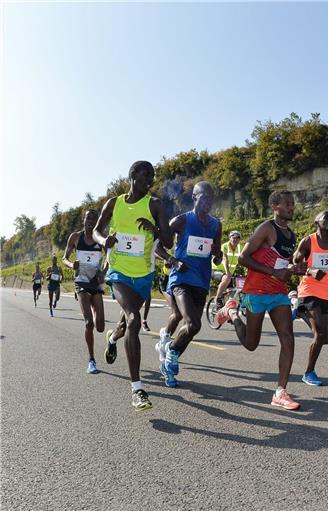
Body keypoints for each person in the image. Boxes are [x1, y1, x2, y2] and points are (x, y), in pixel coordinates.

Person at [93, 160, 171, 411]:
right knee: (135, 319)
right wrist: (104, 240)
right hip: (119, 272)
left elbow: (168, 240)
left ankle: (113, 338)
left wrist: (156, 229)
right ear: (132, 175)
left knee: (126, 323)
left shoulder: (155, 204)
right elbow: (96, 230)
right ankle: (137, 389)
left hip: (144, 275)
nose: (150, 180)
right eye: (145, 174)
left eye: (153, 176)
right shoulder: (114, 203)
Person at [215, 190, 304, 411]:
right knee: (251, 344)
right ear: (275, 206)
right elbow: (244, 258)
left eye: (293, 204)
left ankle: (280, 391)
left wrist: (295, 268)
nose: (292, 207)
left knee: (288, 338)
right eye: (287, 204)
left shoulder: (291, 236)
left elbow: (282, 265)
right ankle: (232, 312)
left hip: (278, 293)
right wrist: (274, 272)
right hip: (256, 292)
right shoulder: (266, 228)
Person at [154, 181, 222, 388]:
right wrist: (174, 261)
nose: (208, 202)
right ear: (194, 197)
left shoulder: (216, 225)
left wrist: (218, 255)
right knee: (193, 323)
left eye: (211, 198)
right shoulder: (182, 220)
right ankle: (171, 352)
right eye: (204, 197)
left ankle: (169, 360)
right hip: (181, 279)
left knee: (191, 329)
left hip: (201, 281)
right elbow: (157, 248)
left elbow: (217, 255)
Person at [294, 211, 328, 386]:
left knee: (327, 338)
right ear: (316, 221)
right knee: (319, 334)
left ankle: (296, 309)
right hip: (309, 291)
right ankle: (309, 372)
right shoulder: (308, 241)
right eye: (325, 218)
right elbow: (294, 265)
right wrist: (310, 271)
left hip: (326, 294)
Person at [63, 209, 107, 374]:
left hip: (96, 282)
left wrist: (103, 272)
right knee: (89, 323)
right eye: (88, 217)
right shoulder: (75, 237)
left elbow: (110, 256)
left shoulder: (100, 237)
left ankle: (110, 338)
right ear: (83, 219)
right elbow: (64, 257)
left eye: (94, 219)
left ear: (97, 222)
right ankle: (91, 360)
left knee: (100, 327)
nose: (91, 220)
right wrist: (70, 264)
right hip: (81, 281)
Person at [213, 230, 244, 307]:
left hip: (229, 273)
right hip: (216, 270)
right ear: (230, 238)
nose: (235, 240)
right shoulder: (225, 246)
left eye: (238, 238)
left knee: (232, 293)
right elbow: (225, 259)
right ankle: (218, 298)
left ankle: (229, 309)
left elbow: (244, 260)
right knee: (226, 278)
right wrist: (227, 272)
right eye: (233, 238)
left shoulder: (240, 248)